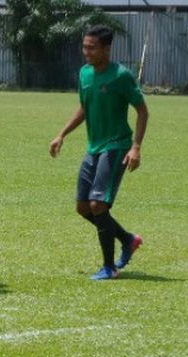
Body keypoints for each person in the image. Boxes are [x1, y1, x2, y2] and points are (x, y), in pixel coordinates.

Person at [49, 25, 149, 280]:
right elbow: (84, 107)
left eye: (92, 47)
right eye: (84, 47)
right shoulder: (84, 74)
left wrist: (136, 147)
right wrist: (62, 134)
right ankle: (128, 239)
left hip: (116, 146)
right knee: (83, 207)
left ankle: (109, 267)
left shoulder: (121, 76)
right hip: (93, 147)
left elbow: (142, 111)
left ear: (107, 48)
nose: (87, 52)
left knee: (98, 204)